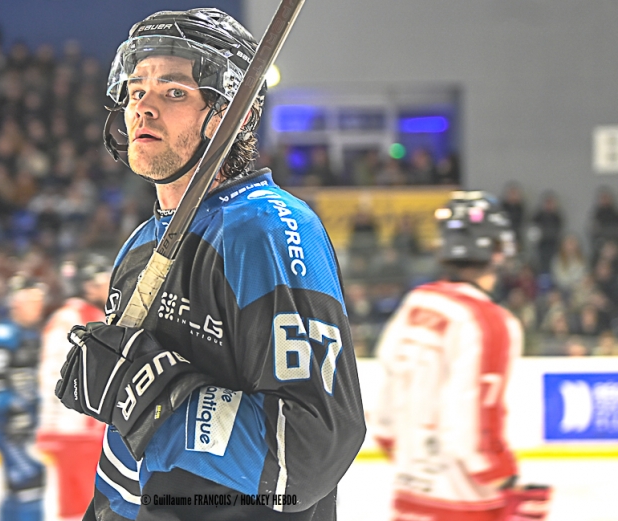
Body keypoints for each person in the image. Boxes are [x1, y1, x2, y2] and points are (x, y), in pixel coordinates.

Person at [55, 8, 366, 521]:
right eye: (136, 91)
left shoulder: (267, 228)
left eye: (174, 92)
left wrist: (156, 403)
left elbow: (310, 448)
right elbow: (130, 454)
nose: (143, 109)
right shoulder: (137, 249)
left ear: (232, 115)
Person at [370, 191, 551, 520]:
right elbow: (475, 431)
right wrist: (509, 482)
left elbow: (383, 421)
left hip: (408, 502)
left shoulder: (416, 303)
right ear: (498, 251)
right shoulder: (491, 322)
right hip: (465, 507)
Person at [37, 257, 112, 521]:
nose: (111, 284)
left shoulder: (94, 316)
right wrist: (55, 427)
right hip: (78, 433)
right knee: (80, 508)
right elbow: (53, 377)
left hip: (90, 431)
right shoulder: (72, 318)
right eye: (105, 279)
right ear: (88, 285)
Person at [0, 274, 47, 521]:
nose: (38, 305)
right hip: (5, 425)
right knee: (30, 478)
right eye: (32, 299)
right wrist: (14, 411)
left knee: (17, 484)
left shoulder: (31, 334)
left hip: (19, 425)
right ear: (15, 302)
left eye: (40, 299)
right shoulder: (3, 334)